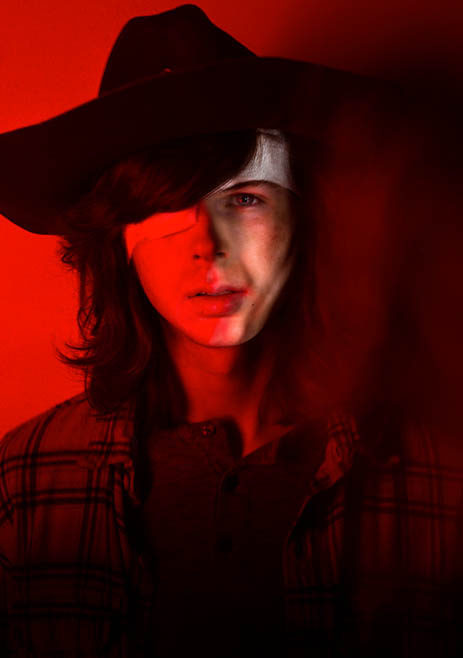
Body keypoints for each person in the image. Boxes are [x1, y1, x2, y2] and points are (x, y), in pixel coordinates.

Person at [0, 5, 461, 657]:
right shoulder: (25, 477)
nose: (208, 245)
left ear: (303, 221)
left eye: (245, 199)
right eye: (165, 204)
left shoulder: (438, 474)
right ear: (117, 240)